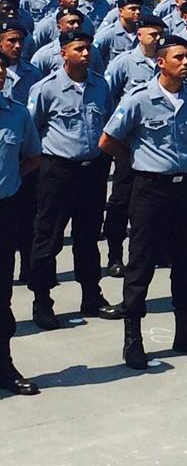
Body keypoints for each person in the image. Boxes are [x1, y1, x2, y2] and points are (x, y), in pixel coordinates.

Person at [99, 35, 187, 369]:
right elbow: (108, 140)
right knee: (142, 264)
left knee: (186, 260)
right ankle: (133, 339)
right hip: (150, 188)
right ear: (161, 62)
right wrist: (138, 159)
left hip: (185, 187)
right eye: (179, 57)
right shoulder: (139, 98)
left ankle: (185, 331)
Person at [27, 30, 119, 330]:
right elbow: (33, 129)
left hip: (92, 171)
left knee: (88, 237)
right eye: (79, 49)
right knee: (48, 238)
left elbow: (106, 123)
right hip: (57, 171)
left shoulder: (100, 85)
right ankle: (42, 302)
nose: (86, 54)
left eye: (88, 48)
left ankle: (91, 295)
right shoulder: (46, 89)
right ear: (63, 53)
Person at [101, 15, 167, 277]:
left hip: (158, 146)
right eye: (153, 34)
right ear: (139, 35)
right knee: (120, 201)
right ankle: (115, 254)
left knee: (157, 203)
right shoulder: (125, 62)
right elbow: (107, 96)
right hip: (129, 145)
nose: (157, 39)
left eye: (160, 34)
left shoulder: (166, 62)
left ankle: (157, 251)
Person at [0, 53, 42, 395]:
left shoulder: (17, 115)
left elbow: (32, 156)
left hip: (5, 211)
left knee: (2, 297)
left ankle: (4, 366)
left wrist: (9, 181)